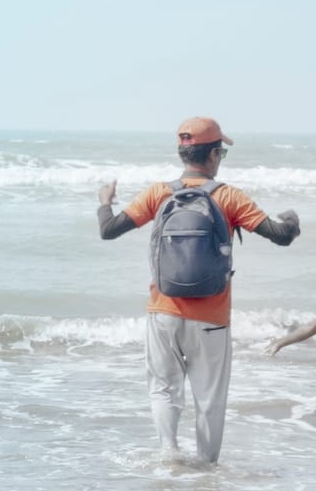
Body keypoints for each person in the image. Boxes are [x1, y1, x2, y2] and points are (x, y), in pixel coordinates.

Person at [97, 118, 301, 465]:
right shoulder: (228, 196)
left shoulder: (158, 192)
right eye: (221, 150)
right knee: (209, 399)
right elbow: (280, 235)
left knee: (163, 388)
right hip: (211, 320)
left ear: (184, 154)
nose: (221, 157)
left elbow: (108, 230)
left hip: (163, 313)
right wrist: (293, 221)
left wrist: (105, 201)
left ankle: (169, 454)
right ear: (212, 155)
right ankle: (207, 467)